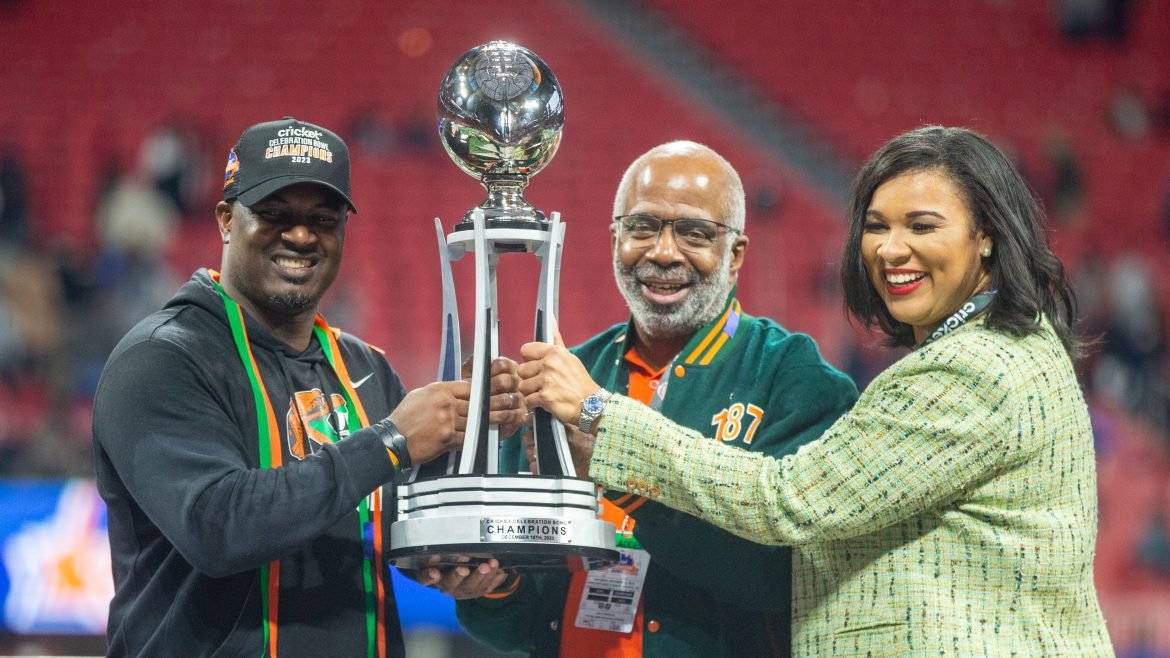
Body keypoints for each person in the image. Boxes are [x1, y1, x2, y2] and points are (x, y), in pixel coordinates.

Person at [519, 126, 1114, 656]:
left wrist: (601, 414)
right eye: (877, 226)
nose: (890, 248)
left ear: (986, 237)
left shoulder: (971, 369)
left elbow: (788, 500)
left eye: (922, 225)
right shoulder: (1005, 349)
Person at [91, 117, 521, 657]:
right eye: (275, 215)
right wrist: (391, 441)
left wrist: (474, 431)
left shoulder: (364, 367)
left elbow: (405, 520)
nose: (300, 235)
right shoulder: (163, 358)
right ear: (226, 220)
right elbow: (218, 527)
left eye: (323, 218)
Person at [445, 141, 858, 657]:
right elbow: (519, 625)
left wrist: (629, 484)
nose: (663, 252)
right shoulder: (563, 376)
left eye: (695, 233)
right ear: (614, 237)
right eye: (642, 228)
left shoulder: (792, 377)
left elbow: (782, 580)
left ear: (735, 256)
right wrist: (493, 584)